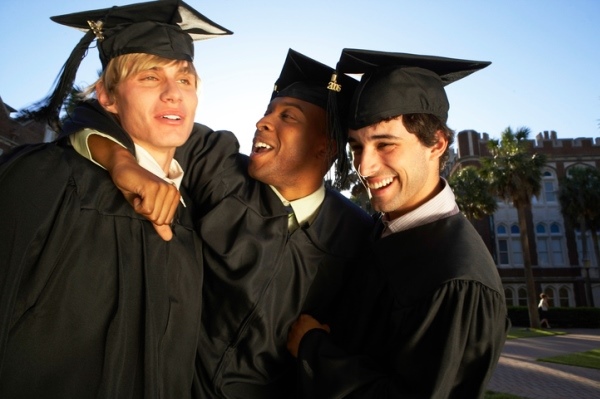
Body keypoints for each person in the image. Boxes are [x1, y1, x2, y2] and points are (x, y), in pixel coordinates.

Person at [65, 49, 375, 398]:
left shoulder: (357, 237)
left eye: (288, 116)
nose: (263, 122)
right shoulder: (217, 166)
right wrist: (122, 163)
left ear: (325, 147)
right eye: (268, 111)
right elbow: (99, 113)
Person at [0, 1, 232, 397]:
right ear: (106, 97)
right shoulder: (48, 179)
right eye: (149, 78)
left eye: (185, 80)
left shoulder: (192, 217)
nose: (173, 93)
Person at [287, 48, 511, 398]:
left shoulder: (458, 282)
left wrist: (314, 349)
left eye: (385, 144)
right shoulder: (382, 231)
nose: (364, 167)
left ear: (436, 143)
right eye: (357, 147)